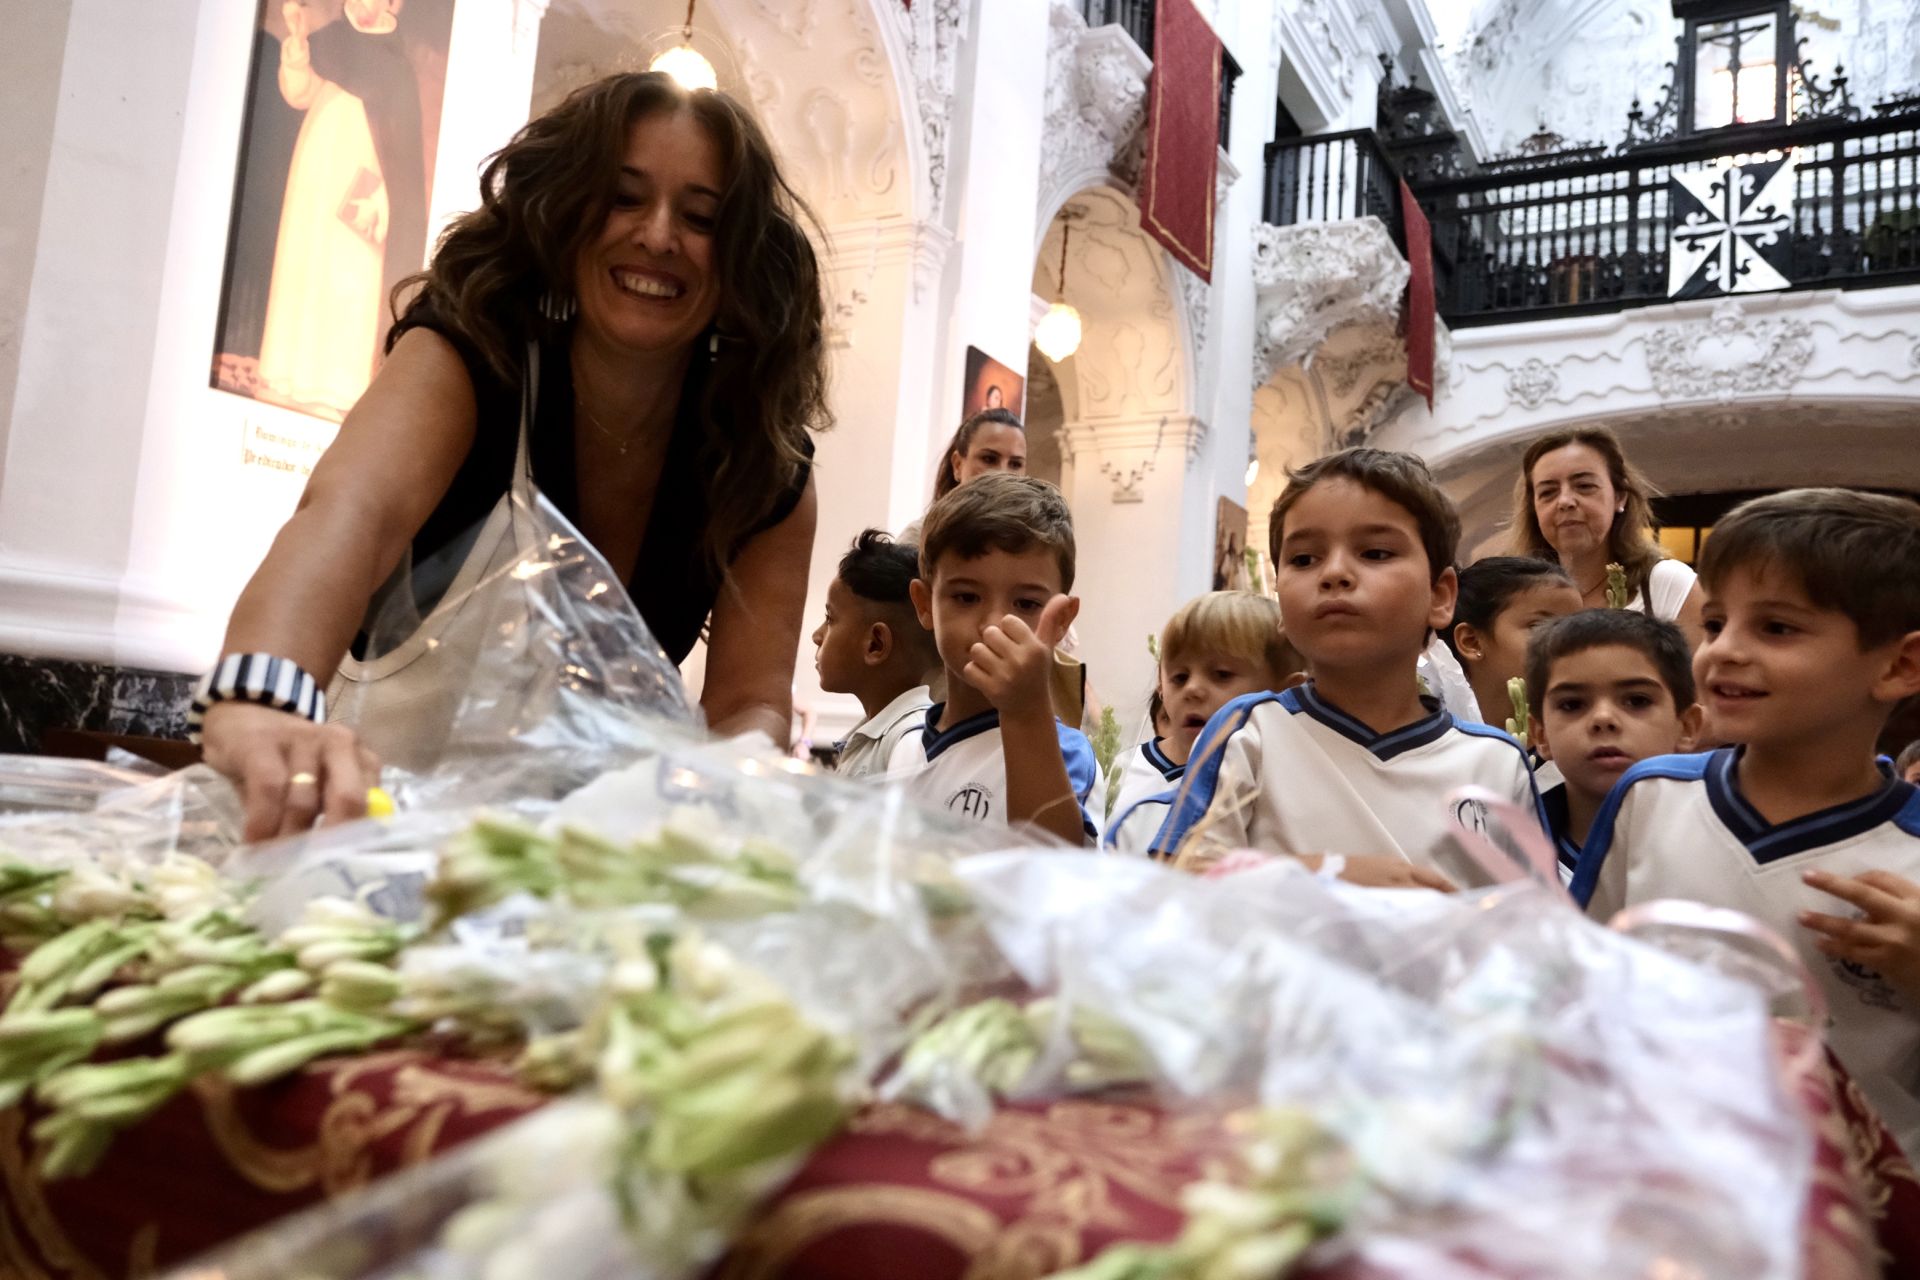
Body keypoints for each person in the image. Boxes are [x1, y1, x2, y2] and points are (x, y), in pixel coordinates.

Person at [197, 72, 829, 841]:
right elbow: (347, 517)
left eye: (700, 217)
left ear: (739, 259)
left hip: (572, 873)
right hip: (357, 833)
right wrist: (262, 697)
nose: (659, 237)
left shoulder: (763, 464)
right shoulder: (474, 353)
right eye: (625, 198)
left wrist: (723, 787)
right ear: (565, 217)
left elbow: (747, 701)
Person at [1569, 488, 1920, 1157]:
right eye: (1716, 623)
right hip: (1653, 1189)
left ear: (1900, 665)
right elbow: (1579, 984)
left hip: (1852, 1226)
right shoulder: (1649, 798)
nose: (1723, 651)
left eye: (1777, 627)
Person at [1152, 449, 1541, 888]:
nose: (1334, 573)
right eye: (1304, 559)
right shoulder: (1248, 733)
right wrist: (1328, 874)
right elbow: (1176, 886)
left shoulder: (1495, 762)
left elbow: (1532, 927)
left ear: (1440, 596)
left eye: (1374, 553)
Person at [889, 474, 1099, 845]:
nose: (993, 624)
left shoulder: (1063, 753)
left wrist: (1025, 712)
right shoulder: (906, 744)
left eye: (1026, 604)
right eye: (967, 597)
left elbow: (1053, 869)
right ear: (924, 605)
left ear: (1062, 621)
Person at [1102, 593, 1303, 857]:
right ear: (1161, 688)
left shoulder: (1288, 789)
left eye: (1222, 675)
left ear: (1286, 692)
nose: (1193, 689)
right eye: (1179, 677)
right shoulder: (1121, 773)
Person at [1524, 609, 1702, 869]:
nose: (1603, 718)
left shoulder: (1725, 853)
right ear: (1541, 734)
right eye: (1572, 704)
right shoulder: (1505, 860)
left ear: (1686, 726)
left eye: (1637, 701)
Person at [1509, 426, 1704, 645]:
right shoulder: (1518, 600)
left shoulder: (1667, 584)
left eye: (1584, 486)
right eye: (1548, 492)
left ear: (1619, 496)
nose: (1565, 501)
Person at [812, 531, 937, 780]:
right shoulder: (877, 737)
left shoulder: (910, 741)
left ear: (875, 644)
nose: (817, 635)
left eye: (830, 619)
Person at [1444, 556, 1582, 729]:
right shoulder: (1436, 746)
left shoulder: (1583, 742)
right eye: (1540, 626)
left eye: (1576, 628)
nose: (1569, 643)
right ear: (1471, 641)